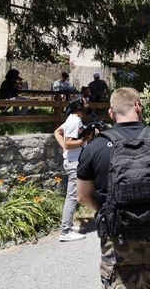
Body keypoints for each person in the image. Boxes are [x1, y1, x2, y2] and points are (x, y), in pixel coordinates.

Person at [76, 87, 150, 289]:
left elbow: (82, 196)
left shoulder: (94, 148)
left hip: (117, 239)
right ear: (138, 106)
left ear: (111, 113)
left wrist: (107, 210)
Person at [57, 99, 89, 242]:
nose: (88, 104)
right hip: (74, 163)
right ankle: (65, 231)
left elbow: (57, 132)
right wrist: (83, 141)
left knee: (74, 195)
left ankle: (67, 225)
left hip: (73, 161)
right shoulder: (74, 121)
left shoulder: (72, 119)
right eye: (85, 102)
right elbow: (68, 143)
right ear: (79, 107)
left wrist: (65, 148)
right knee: (71, 196)